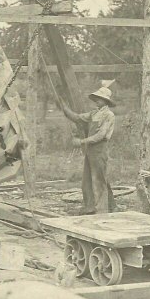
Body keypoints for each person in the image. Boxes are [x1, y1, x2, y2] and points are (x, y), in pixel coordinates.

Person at [57, 86, 116, 215]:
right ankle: (90, 206)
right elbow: (77, 118)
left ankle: (102, 209)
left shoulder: (109, 115)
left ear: (105, 101)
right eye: (96, 98)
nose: (96, 101)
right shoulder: (94, 113)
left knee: (99, 180)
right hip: (90, 151)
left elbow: (101, 135)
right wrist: (64, 108)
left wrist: (82, 142)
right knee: (87, 180)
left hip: (100, 150)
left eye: (99, 99)